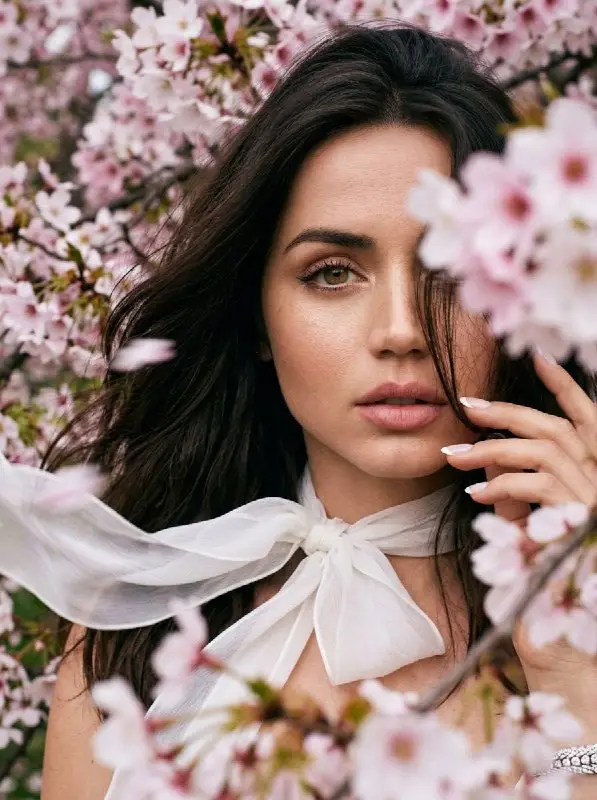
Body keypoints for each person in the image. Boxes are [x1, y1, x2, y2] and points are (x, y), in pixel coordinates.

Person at [2, 20, 596, 800]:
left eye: (448, 273)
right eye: (332, 273)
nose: (399, 332)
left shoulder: (576, 624)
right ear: (256, 319)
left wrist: (575, 691)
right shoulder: (137, 631)